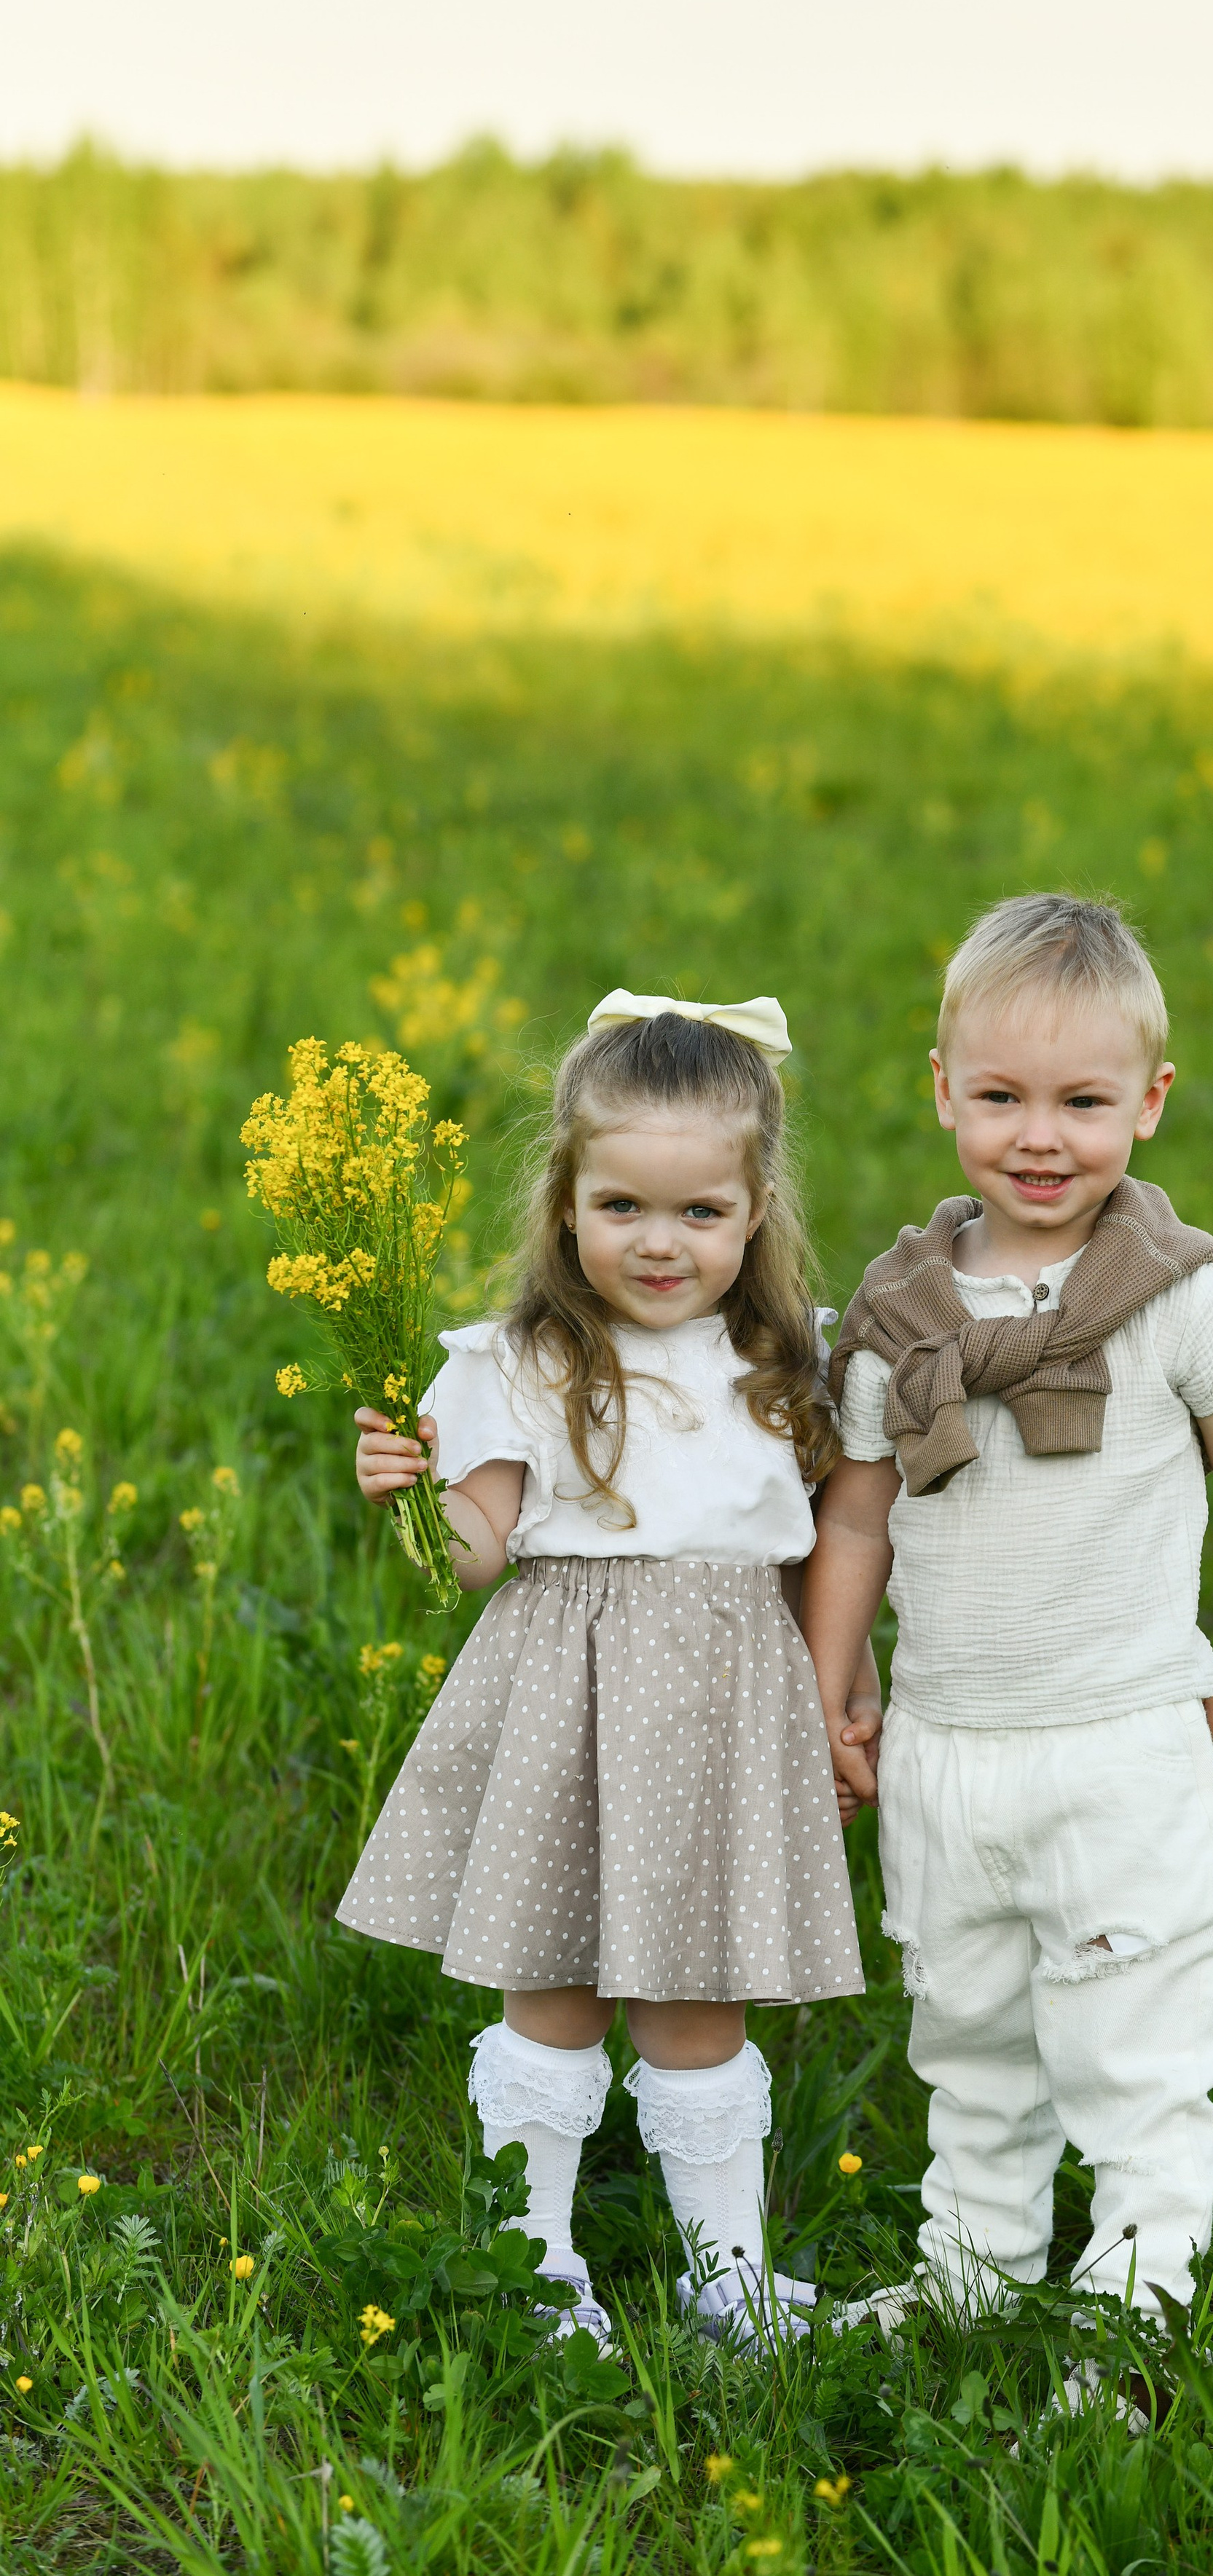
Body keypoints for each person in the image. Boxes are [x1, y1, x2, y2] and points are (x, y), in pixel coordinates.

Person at [338, 990, 867, 2349]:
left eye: (701, 1212)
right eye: (623, 1204)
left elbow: (824, 1554)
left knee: (701, 2000)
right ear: (567, 1199)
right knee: (553, 1984)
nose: (661, 1241)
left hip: (729, 1709)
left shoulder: (785, 1363)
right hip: (562, 1704)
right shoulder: (519, 1360)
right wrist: (409, 1482)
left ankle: (726, 2277)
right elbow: (472, 1555)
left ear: (756, 1212)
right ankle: (533, 2263)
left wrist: (839, 1697)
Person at [803, 894, 1213, 2332]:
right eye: (1001, 1096)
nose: (1039, 1135)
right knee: (969, 2033)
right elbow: (855, 1514)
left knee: (1133, 2041)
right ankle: (973, 2269)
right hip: (950, 1747)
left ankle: (1133, 2293)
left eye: (1081, 1101)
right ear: (940, 1090)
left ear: (1146, 1105)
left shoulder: (1183, 1305)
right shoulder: (897, 1317)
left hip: (1122, 1743)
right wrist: (830, 1690)